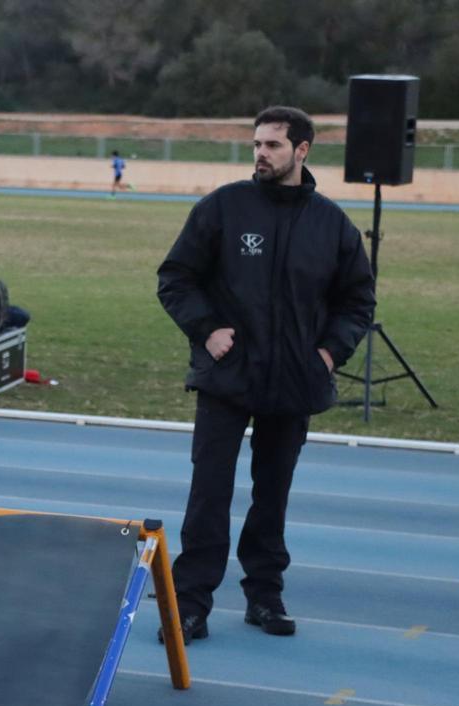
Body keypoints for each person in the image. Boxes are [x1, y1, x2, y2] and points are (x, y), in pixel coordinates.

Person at [156, 106, 375, 644]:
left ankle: (264, 595)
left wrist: (327, 354)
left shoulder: (331, 224)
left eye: (273, 145)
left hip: (294, 382)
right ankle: (190, 604)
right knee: (209, 492)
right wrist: (207, 330)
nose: (261, 153)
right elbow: (176, 277)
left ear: (301, 151)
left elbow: (358, 300)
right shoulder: (223, 208)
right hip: (227, 378)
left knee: (272, 492)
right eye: (257, 144)